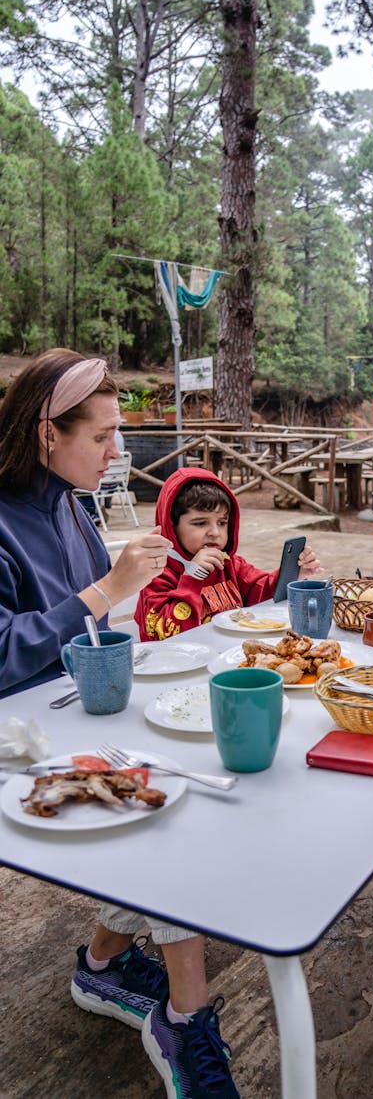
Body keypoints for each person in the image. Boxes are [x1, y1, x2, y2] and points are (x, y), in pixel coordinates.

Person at [0, 349, 239, 1098]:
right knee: (167, 815)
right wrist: (108, 589)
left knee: (209, 760)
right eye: (101, 437)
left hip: (70, 713)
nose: (116, 453)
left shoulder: (70, 504)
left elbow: (90, 635)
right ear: (47, 434)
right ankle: (185, 1016)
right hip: (17, 734)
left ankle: (102, 967)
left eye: (117, 434)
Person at [135, 466, 321, 641]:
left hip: (228, 657)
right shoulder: (156, 573)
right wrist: (192, 578)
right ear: (172, 527)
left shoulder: (230, 564)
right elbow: (165, 635)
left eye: (222, 522)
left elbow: (261, 590)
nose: (215, 532)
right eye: (200, 523)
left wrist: (292, 575)